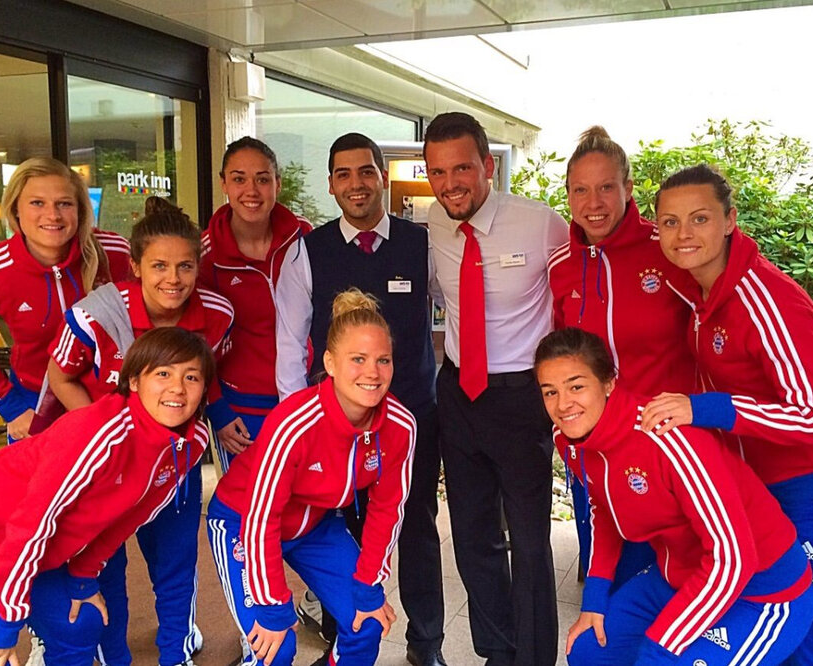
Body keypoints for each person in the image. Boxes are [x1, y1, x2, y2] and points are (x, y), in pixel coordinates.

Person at [644, 164, 813, 665]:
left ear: (730, 220)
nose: (683, 234)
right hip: (760, 485)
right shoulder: (698, 285)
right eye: (669, 222)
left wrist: (703, 409)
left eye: (699, 219)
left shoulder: (766, 298)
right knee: (776, 635)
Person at [0, 327, 213, 666]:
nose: (177, 388)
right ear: (134, 381)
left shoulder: (190, 443)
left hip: (26, 546)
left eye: (191, 377)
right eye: (163, 373)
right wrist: (6, 627)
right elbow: (32, 525)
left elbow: (125, 520)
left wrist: (83, 576)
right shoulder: (100, 435)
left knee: (80, 622)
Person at [535, 327, 813, 665]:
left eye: (576, 386)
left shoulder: (665, 438)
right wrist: (594, 598)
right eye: (549, 392)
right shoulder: (570, 439)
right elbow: (604, 508)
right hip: (682, 577)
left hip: (762, 590)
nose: (563, 404)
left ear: (608, 383)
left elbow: (734, 558)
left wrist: (659, 649)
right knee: (588, 652)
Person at [274, 133, 445, 666]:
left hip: (411, 415)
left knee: (414, 524)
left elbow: (454, 312)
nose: (356, 183)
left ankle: (426, 644)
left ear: (383, 177)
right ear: (330, 184)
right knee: (338, 526)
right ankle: (341, 634)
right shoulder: (308, 250)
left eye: (366, 171)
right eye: (343, 174)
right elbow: (289, 337)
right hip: (335, 425)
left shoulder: (421, 244)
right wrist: (296, 417)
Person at [46, 197, 234, 666]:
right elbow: (59, 376)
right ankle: (115, 657)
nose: (173, 278)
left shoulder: (218, 313)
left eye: (185, 266)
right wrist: (105, 433)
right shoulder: (92, 316)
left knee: (174, 567)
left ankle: (176, 654)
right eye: (159, 266)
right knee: (104, 567)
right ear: (134, 266)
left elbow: (203, 378)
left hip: (172, 461)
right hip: (104, 465)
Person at [424, 111, 568, 666]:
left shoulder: (541, 224)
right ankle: (496, 652)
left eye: (462, 167)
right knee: (472, 535)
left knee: (531, 544)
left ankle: (533, 658)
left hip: (522, 397)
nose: (450, 183)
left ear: (488, 165)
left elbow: (578, 292)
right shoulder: (434, 225)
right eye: (437, 171)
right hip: (459, 391)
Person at [208, 289, 415, 666]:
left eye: (383, 360)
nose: (372, 372)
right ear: (330, 363)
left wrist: (370, 586)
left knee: (365, 625)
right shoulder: (294, 423)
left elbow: (388, 510)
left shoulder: (400, 425)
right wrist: (272, 608)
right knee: (273, 648)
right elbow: (260, 519)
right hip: (242, 522)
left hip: (315, 526)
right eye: (358, 359)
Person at [547, 126, 693, 586]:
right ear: (569, 196)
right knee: (605, 582)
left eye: (607, 187)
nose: (594, 202)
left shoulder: (667, 251)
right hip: (595, 452)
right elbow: (556, 354)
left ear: (628, 189)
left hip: (667, 450)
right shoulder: (561, 266)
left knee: (667, 580)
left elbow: (731, 297)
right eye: (581, 190)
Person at [0, 156, 131, 442]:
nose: (53, 215)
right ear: (15, 209)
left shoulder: (117, 252)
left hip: (113, 403)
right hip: (36, 406)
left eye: (64, 203)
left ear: (81, 210)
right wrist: (12, 408)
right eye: (37, 203)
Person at [200, 137, 312, 472]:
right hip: (240, 406)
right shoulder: (205, 256)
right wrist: (217, 410)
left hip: (304, 396)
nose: (251, 190)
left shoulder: (304, 239)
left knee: (304, 502)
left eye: (262, 179)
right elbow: (193, 344)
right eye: (239, 179)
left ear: (277, 184)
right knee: (248, 507)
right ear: (224, 184)